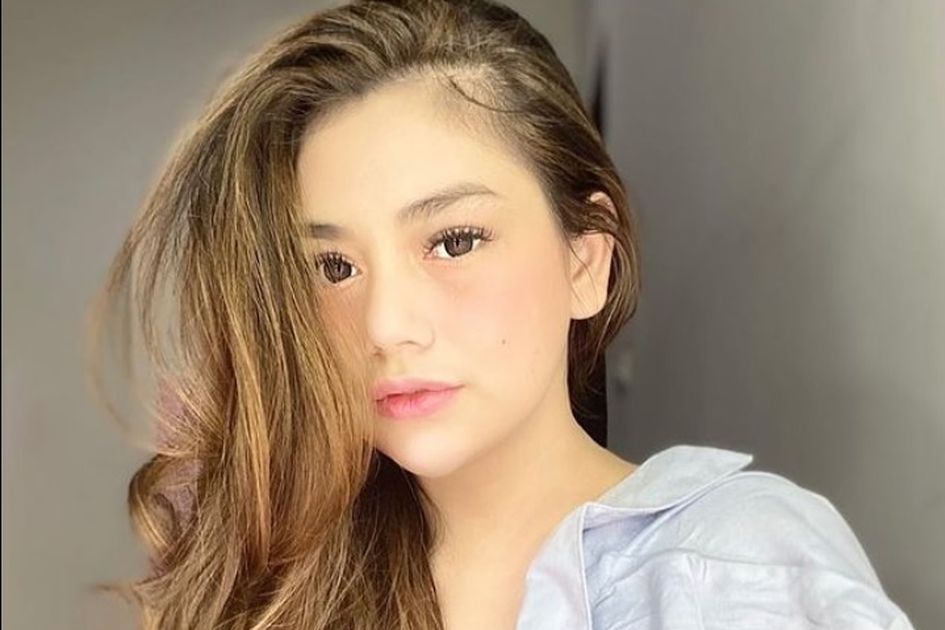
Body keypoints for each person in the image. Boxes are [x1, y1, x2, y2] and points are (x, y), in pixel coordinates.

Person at [88, 0, 915, 628]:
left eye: (453, 241)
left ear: (584, 263)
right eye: (333, 268)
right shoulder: (284, 577)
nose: (384, 325)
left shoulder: (737, 570)